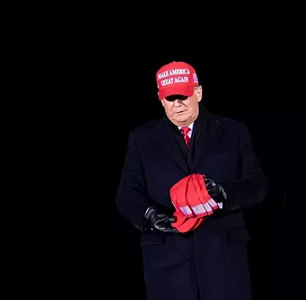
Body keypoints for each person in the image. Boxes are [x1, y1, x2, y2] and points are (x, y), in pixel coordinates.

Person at [115, 61, 268, 300]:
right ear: (160, 98)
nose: (177, 104)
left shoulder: (233, 131)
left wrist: (223, 194)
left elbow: (256, 185)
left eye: (183, 96)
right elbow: (127, 192)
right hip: (166, 261)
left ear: (198, 92)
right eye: (170, 98)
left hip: (223, 258)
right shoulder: (141, 139)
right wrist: (148, 216)